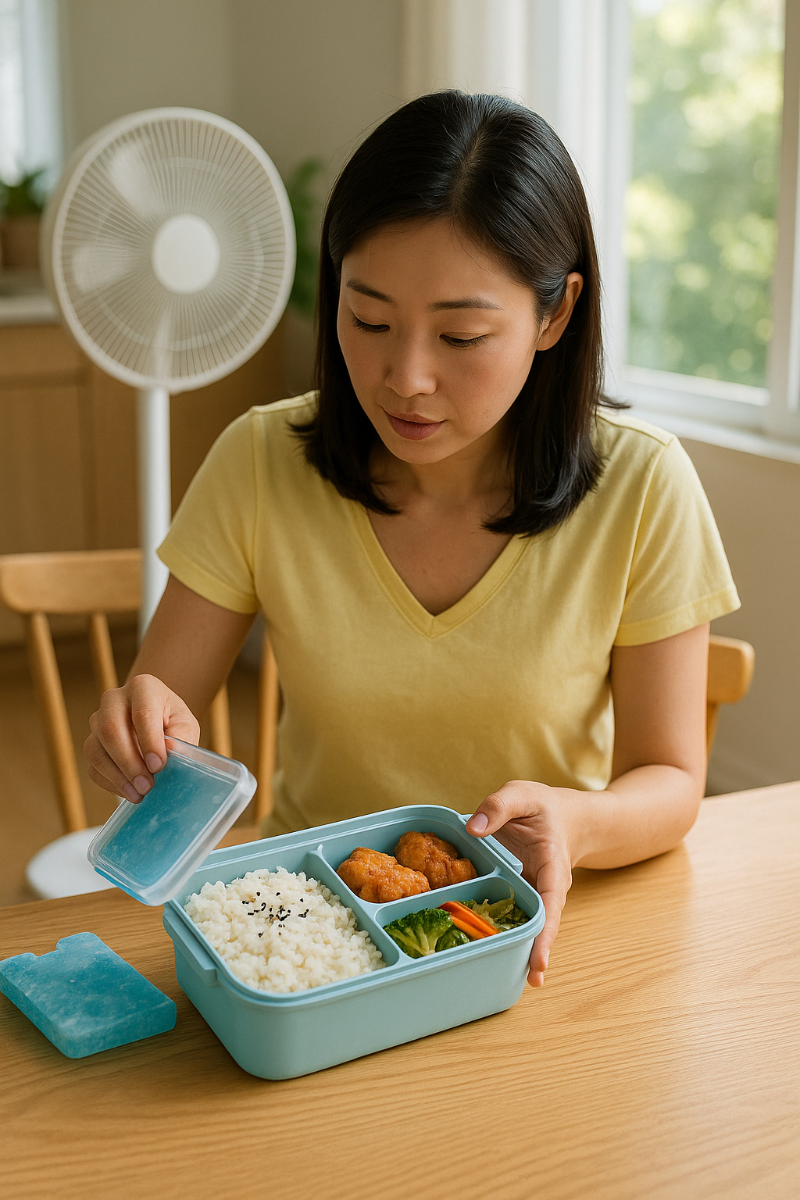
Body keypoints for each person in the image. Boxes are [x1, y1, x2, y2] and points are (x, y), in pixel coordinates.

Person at [85, 92, 739, 986]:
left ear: (555, 316)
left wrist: (579, 821)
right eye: (369, 320)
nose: (406, 378)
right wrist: (140, 728)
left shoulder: (643, 486)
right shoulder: (259, 460)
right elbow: (165, 712)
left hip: (531, 930)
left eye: (461, 334)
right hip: (305, 927)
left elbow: (670, 777)